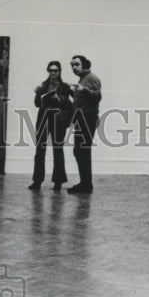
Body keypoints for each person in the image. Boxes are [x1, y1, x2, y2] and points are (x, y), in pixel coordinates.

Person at [30, 60, 72, 191]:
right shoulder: (43, 85)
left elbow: (70, 104)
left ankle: (58, 182)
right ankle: (37, 181)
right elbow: (37, 104)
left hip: (58, 120)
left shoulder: (64, 86)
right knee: (39, 151)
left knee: (58, 150)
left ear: (59, 71)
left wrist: (61, 99)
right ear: (48, 71)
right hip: (43, 119)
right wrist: (38, 93)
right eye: (51, 70)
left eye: (56, 70)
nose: (53, 73)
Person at [68, 55, 102, 194]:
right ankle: (85, 183)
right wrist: (71, 92)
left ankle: (86, 184)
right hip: (82, 120)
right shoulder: (83, 80)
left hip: (88, 120)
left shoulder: (91, 78)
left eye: (77, 64)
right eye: (72, 65)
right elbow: (81, 100)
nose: (74, 67)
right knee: (80, 150)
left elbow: (97, 97)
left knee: (82, 150)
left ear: (85, 64)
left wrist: (84, 90)